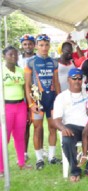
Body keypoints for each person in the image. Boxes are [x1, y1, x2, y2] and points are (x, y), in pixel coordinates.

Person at [53, 68, 88, 182]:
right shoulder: (62, 97)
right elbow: (57, 119)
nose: (77, 80)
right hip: (72, 127)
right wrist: (63, 128)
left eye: (80, 78)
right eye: (74, 78)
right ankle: (75, 170)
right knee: (67, 140)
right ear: (68, 80)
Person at [24, 34, 62, 170]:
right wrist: (31, 104)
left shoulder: (54, 62)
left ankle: (52, 157)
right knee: (38, 129)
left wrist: (59, 99)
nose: (44, 48)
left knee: (53, 127)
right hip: (37, 101)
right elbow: (27, 85)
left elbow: (56, 82)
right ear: (36, 46)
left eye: (46, 45)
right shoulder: (30, 62)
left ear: (49, 46)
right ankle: (39, 158)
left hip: (51, 99)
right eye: (41, 45)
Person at [1, 46, 33, 177]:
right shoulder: (1, 70)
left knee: (20, 136)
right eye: (10, 54)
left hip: (20, 106)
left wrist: (29, 107)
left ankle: (21, 163)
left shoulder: (21, 70)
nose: (13, 57)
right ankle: (1, 168)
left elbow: (26, 89)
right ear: (4, 56)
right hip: (6, 107)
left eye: (15, 54)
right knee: (4, 138)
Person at [18, 34, 36, 161]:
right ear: (22, 46)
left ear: (34, 45)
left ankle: (39, 150)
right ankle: (24, 152)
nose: (27, 46)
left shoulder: (38, 58)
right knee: (25, 125)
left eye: (30, 43)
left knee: (38, 124)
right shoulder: (17, 59)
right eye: (25, 44)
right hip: (21, 95)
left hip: (36, 94)